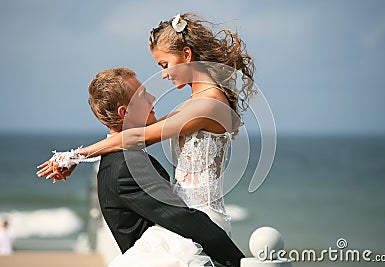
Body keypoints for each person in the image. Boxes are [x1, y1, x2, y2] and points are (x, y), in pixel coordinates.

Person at [38, 12, 255, 265]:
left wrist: (76, 155)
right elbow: (133, 135)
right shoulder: (190, 106)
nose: (163, 75)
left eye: (164, 65)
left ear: (186, 55)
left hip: (201, 223)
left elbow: (138, 137)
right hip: (183, 222)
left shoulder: (209, 105)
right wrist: (75, 157)